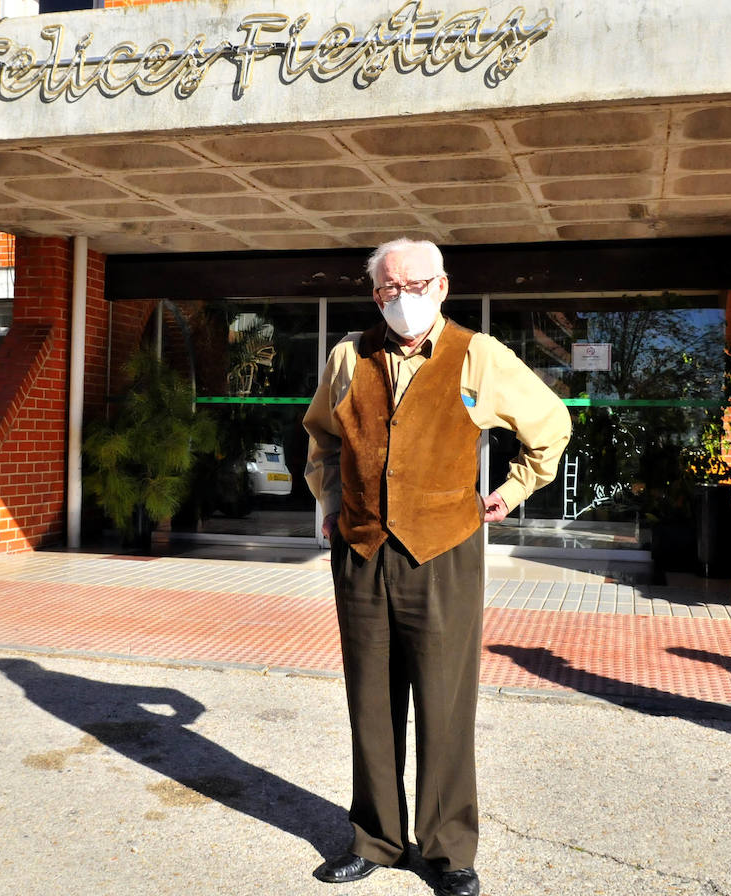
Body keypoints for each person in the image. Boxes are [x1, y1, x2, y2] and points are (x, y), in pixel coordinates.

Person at [302, 238, 571, 896]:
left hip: (445, 551)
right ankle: (376, 839)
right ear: (375, 296)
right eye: (390, 288)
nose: (404, 297)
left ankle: (449, 848)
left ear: (443, 286)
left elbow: (550, 423)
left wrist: (510, 491)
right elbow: (322, 436)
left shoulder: (478, 355)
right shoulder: (347, 357)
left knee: (445, 703)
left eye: (416, 284)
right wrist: (331, 503)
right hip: (362, 550)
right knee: (371, 701)